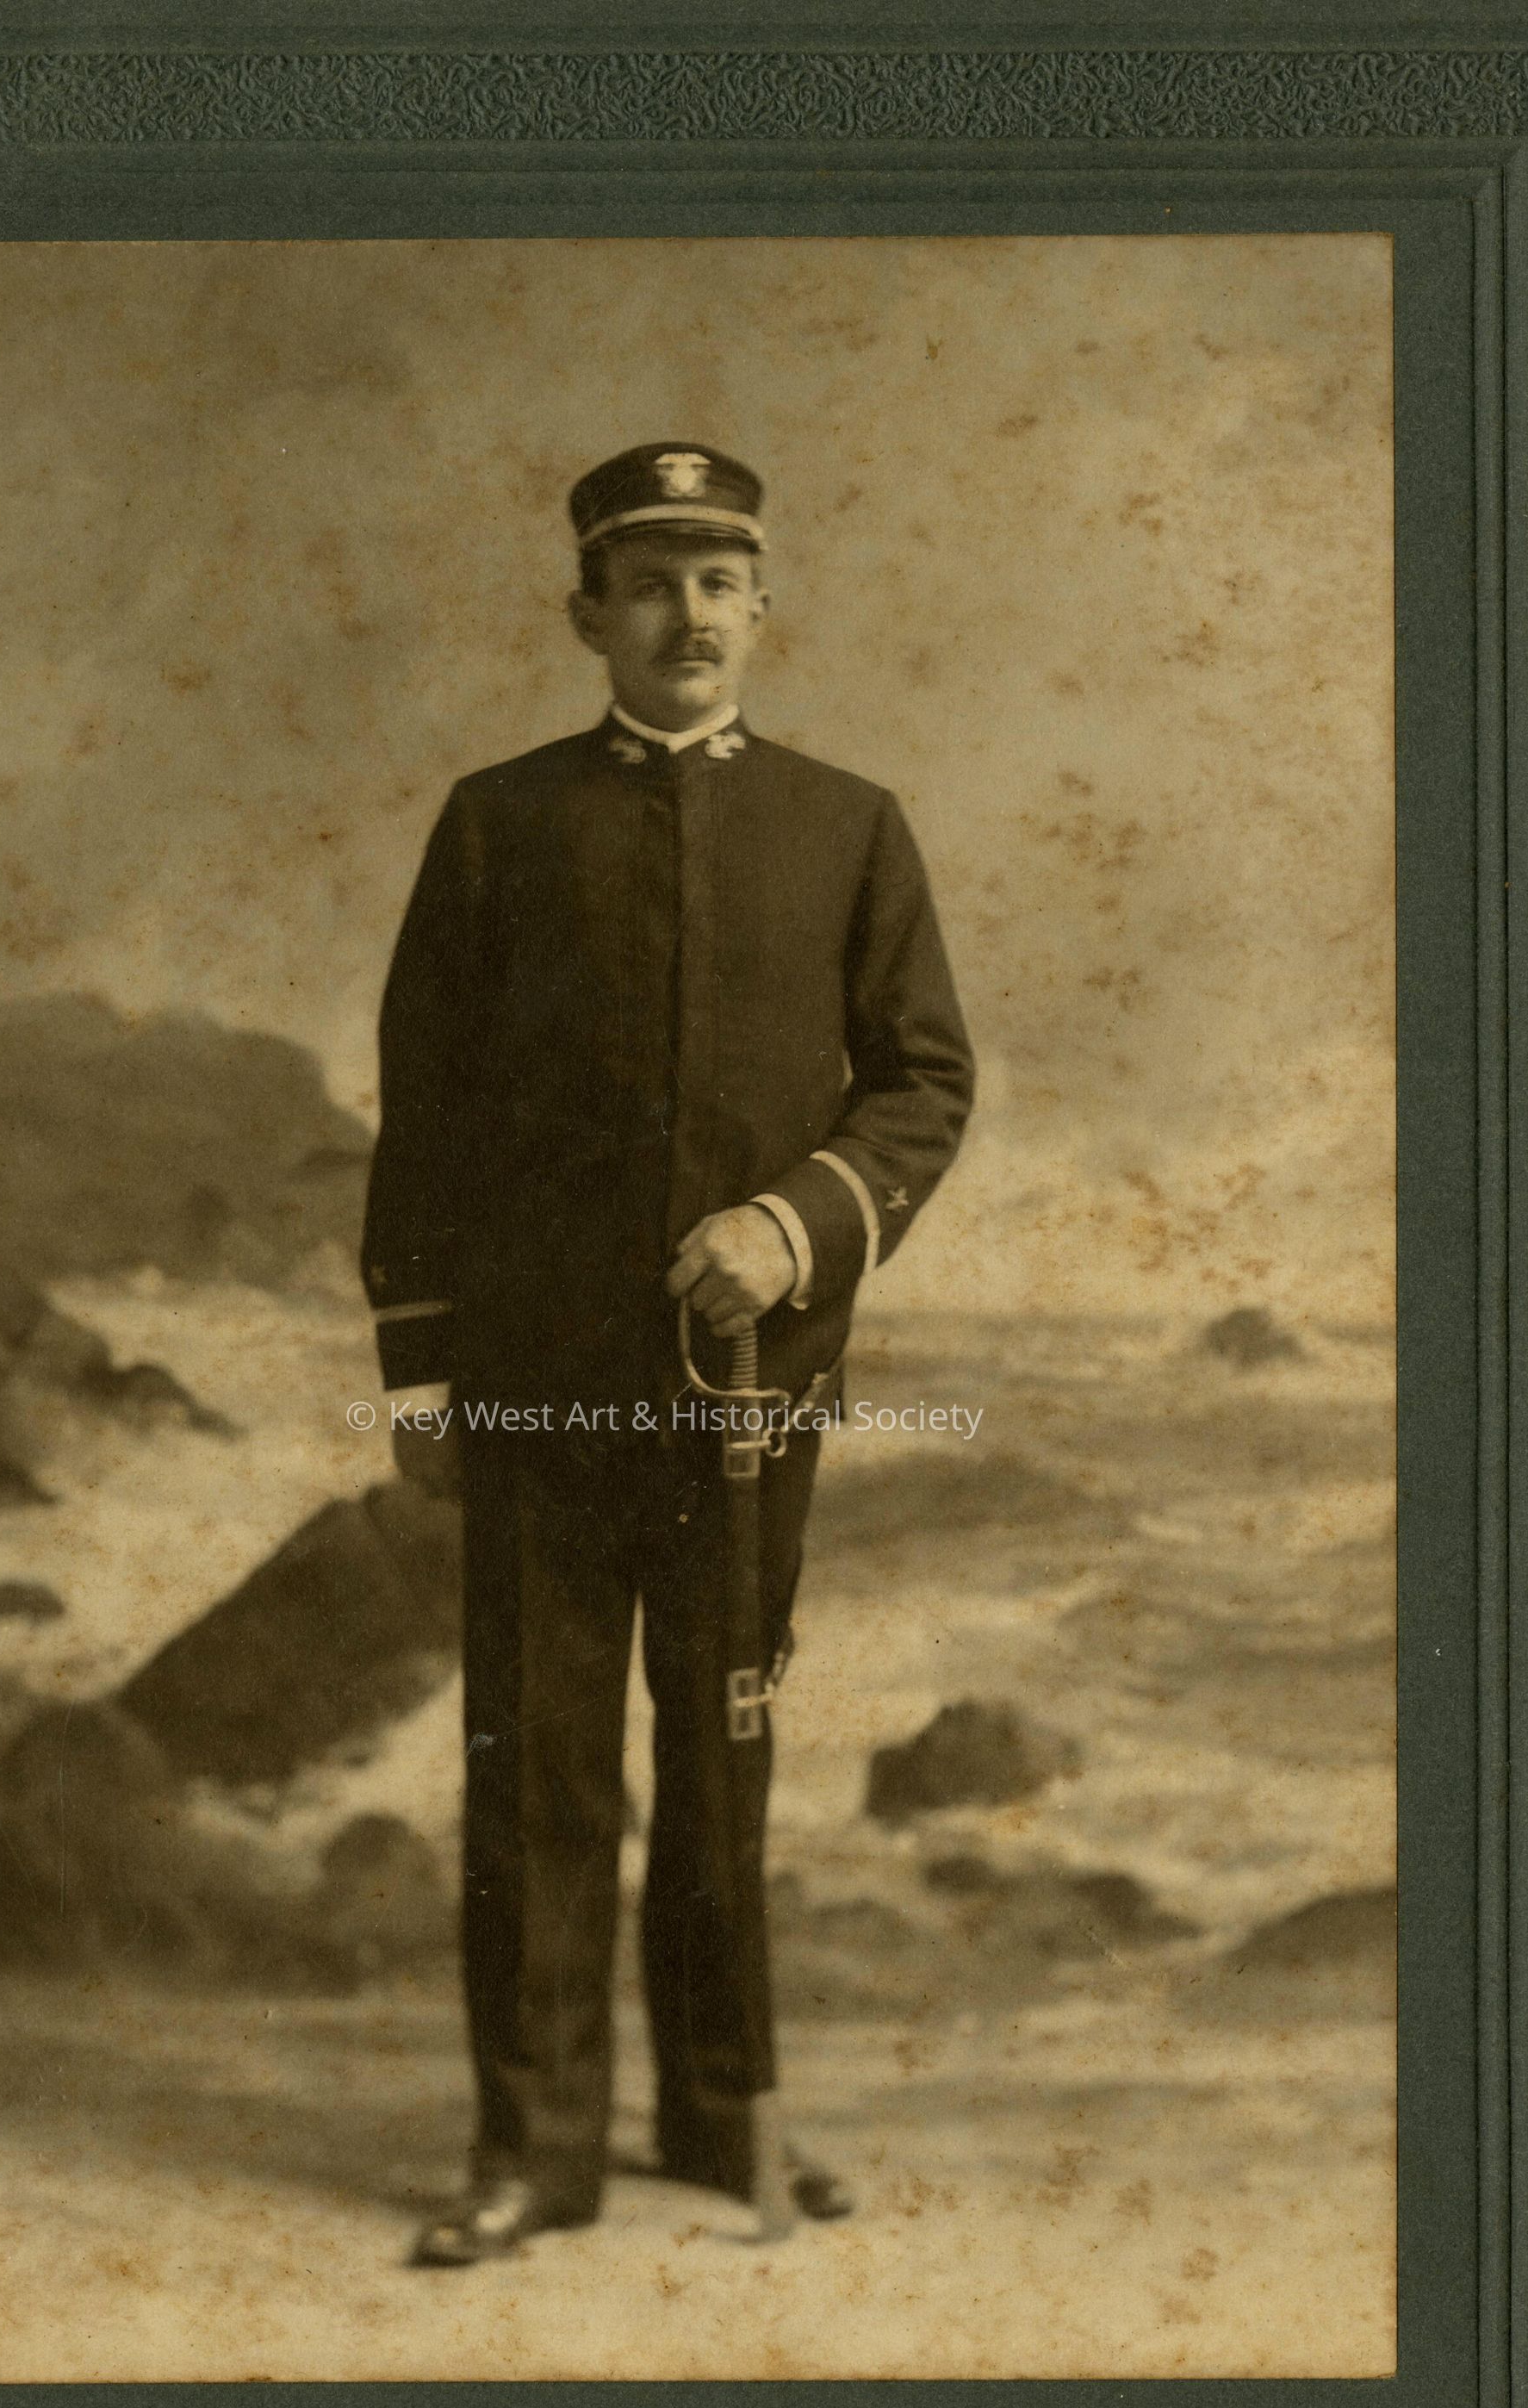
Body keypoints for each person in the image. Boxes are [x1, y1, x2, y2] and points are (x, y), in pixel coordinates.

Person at [362, 441, 974, 2268]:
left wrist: (792, 1222)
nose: (687, 615)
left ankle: (723, 2115)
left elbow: (923, 1081)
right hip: (538, 1388)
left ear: (762, 608)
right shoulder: (498, 821)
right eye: (649, 585)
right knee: (536, 1764)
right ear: (588, 617)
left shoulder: (850, 825)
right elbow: (425, 1105)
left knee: (725, 1756)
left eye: (718, 582)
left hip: (746, 1393)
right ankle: (533, 2146)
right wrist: (420, 1368)